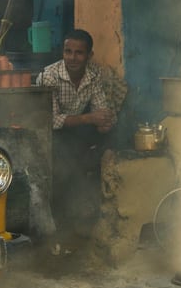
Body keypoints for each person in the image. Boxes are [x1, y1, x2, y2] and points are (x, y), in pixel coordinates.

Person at [36, 29, 121, 257]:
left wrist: (104, 121)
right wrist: (90, 119)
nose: (72, 57)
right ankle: (57, 228)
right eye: (68, 51)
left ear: (89, 55)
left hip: (75, 132)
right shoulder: (49, 76)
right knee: (63, 167)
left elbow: (101, 108)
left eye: (79, 53)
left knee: (114, 139)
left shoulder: (93, 77)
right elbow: (50, 121)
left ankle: (94, 214)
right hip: (47, 135)